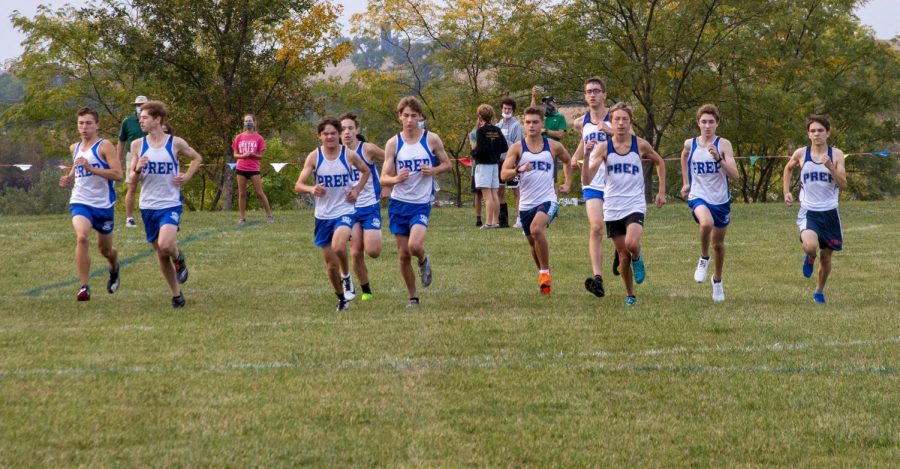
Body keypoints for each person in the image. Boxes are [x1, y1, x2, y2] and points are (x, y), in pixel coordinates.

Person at [587, 103, 666, 306]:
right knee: (622, 257)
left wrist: (662, 191)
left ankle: (638, 258)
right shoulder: (604, 147)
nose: (620, 123)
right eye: (616, 119)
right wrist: (587, 155)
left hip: (635, 203)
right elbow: (587, 179)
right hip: (612, 206)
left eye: (624, 119)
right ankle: (630, 294)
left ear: (630, 122)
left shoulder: (639, 144)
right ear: (611, 122)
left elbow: (659, 162)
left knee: (631, 244)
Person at [381, 96, 453, 307]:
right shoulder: (393, 143)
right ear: (400, 117)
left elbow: (447, 164)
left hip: (421, 203)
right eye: (406, 116)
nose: (410, 120)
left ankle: (423, 260)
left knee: (414, 245)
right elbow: (383, 177)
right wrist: (395, 179)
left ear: (420, 117)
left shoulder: (431, 139)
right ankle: (413, 297)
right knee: (403, 255)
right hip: (398, 203)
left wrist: (433, 170)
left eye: (414, 116)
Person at [130, 101, 203, 308]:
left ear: (157, 119)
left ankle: (179, 257)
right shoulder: (137, 144)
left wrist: (186, 176)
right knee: (161, 254)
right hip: (148, 205)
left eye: (144, 117)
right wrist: (136, 168)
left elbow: (197, 158)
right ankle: (176, 294)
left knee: (165, 244)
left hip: (170, 203)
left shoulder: (175, 143)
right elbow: (131, 178)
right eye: (140, 117)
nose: (140, 120)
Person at [295, 116, 370, 311]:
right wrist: (312, 189)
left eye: (333, 133)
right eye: (326, 133)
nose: (330, 137)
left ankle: (346, 276)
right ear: (320, 136)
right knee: (330, 266)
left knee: (339, 247)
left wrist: (356, 190)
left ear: (338, 135)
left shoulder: (349, 155)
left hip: (344, 210)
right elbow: (298, 185)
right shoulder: (314, 156)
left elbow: (365, 171)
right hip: (322, 215)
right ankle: (342, 299)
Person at [501, 106, 573, 295]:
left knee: (536, 229)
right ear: (524, 124)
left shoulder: (553, 146)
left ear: (542, 124)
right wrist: (518, 170)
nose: (531, 125)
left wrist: (567, 183)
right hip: (526, 203)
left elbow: (568, 161)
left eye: (535, 122)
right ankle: (544, 272)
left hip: (548, 199)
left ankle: (544, 273)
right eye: (528, 122)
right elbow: (503, 174)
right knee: (533, 244)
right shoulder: (517, 148)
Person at [59, 107, 123, 301]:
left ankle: (114, 267)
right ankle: (84, 287)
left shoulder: (105, 146)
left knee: (106, 250)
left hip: (103, 205)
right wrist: (69, 177)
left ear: (97, 125)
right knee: (82, 238)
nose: (84, 127)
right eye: (80, 123)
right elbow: (78, 166)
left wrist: (91, 168)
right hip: (80, 201)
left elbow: (118, 175)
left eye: (88, 123)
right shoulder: (74, 147)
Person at [782, 115, 847, 304]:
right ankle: (810, 256)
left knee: (826, 259)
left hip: (830, 213)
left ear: (828, 132)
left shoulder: (836, 155)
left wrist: (831, 168)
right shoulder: (801, 153)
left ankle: (819, 290)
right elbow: (788, 169)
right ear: (808, 134)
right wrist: (786, 191)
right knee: (810, 246)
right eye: (813, 131)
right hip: (808, 210)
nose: (817, 134)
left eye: (820, 130)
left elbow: (843, 184)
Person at [679, 104, 740, 302]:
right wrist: (686, 182)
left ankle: (718, 281)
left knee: (719, 245)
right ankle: (704, 258)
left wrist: (719, 159)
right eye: (704, 122)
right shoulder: (691, 143)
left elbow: (735, 176)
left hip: (720, 200)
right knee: (706, 223)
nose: (707, 126)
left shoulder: (724, 145)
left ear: (717, 124)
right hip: (698, 195)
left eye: (711, 122)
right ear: (698, 123)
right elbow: (684, 155)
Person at [570, 77, 613, 298]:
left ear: (605, 94)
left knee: (621, 235)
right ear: (585, 96)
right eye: (589, 91)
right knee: (596, 227)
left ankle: (628, 255)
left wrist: (611, 131)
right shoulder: (581, 122)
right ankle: (598, 279)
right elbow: (585, 141)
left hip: (616, 183)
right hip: (593, 181)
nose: (593, 95)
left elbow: (630, 143)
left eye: (597, 91)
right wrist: (576, 158)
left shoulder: (616, 118)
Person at [340, 112, 386, 301]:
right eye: (343, 129)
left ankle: (364, 288)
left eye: (351, 128)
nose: (347, 132)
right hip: (349, 209)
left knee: (373, 251)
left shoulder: (368, 149)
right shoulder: (336, 153)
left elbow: (391, 161)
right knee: (355, 251)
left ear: (357, 130)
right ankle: (366, 290)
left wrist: (388, 185)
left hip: (369, 206)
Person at [471, 104, 509, 229]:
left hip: (483, 165)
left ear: (480, 116)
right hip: (495, 164)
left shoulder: (481, 130)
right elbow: (505, 147)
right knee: (494, 193)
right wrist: (495, 151)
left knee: (487, 196)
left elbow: (480, 149)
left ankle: (488, 223)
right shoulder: (497, 130)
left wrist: (473, 153)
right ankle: (495, 222)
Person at [232, 114, 274, 224]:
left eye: (250, 121)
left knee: (260, 193)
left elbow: (261, 156)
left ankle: (269, 216)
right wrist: (243, 156)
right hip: (241, 168)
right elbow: (235, 155)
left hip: (254, 169)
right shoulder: (239, 137)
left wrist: (252, 154)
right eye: (246, 121)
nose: (248, 123)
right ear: (244, 123)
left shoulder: (259, 138)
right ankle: (242, 217)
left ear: (254, 123)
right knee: (242, 194)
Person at [530, 86, 571, 193]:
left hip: (552, 150)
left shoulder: (559, 117)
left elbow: (560, 134)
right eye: (544, 102)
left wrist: (546, 131)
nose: (546, 105)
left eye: (548, 102)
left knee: (553, 180)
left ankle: (554, 207)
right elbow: (532, 111)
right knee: (537, 179)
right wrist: (533, 96)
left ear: (554, 104)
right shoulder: (542, 117)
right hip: (538, 149)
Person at [117, 95, 148, 228]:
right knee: (132, 187)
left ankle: (150, 215)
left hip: (151, 156)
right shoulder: (127, 121)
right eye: (138, 105)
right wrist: (117, 159)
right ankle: (129, 218)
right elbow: (121, 140)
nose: (140, 107)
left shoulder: (153, 120)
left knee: (151, 186)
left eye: (142, 105)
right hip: (133, 156)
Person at [497, 97, 523, 228]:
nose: (507, 110)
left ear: (513, 110)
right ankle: (502, 220)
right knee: (499, 191)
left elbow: (518, 143)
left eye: (509, 109)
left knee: (516, 191)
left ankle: (519, 219)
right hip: (499, 162)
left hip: (513, 162)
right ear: (501, 109)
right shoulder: (498, 125)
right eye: (505, 108)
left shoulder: (516, 125)